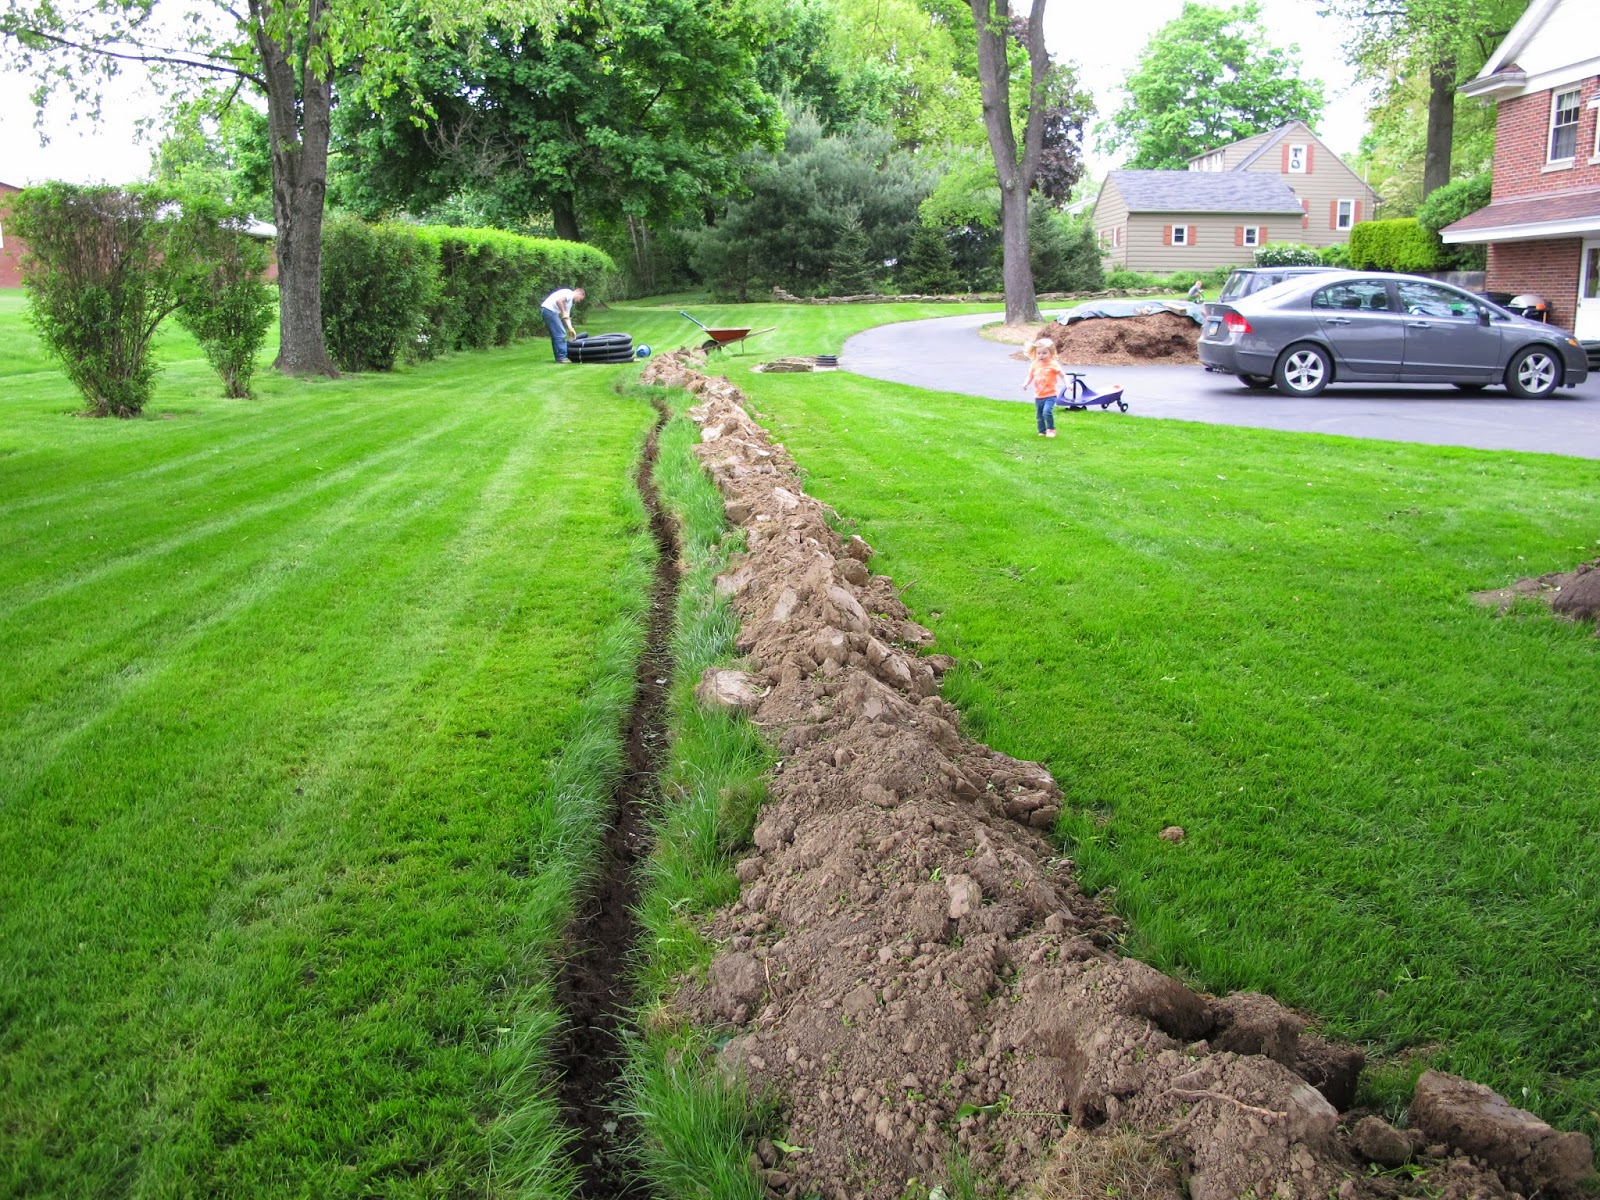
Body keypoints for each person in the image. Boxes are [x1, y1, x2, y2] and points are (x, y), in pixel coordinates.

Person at [1022, 336, 1065, 438]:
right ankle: (1042, 431)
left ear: (1051, 353)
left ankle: (1051, 429)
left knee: (1047, 412)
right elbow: (1030, 376)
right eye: (1039, 353)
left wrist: (1068, 384)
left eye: (1044, 353)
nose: (1041, 355)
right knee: (1039, 415)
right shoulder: (1035, 364)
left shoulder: (1053, 364)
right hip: (1039, 395)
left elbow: (1063, 375)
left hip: (1050, 394)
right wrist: (1026, 383)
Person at [540, 286, 586, 363]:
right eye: (580, 299)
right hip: (549, 311)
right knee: (560, 334)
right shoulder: (569, 293)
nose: (579, 301)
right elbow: (559, 301)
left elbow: (566, 316)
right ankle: (562, 358)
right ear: (579, 293)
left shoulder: (569, 302)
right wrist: (563, 311)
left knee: (557, 335)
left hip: (549, 312)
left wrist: (571, 329)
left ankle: (560, 357)